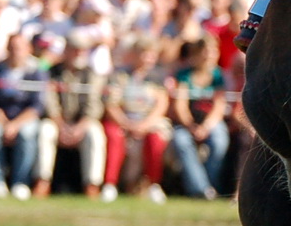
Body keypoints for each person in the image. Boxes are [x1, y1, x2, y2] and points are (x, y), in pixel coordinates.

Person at [0, 32, 46, 199]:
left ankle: (20, 182)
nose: (15, 52)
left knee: (27, 134)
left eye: (19, 48)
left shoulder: (37, 72)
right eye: (12, 48)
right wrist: (4, 122)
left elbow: (37, 106)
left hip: (25, 119)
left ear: (28, 49)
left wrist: (15, 125)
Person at [102, 37, 170, 200]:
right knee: (113, 135)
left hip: (149, 122)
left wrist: (144, 125)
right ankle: (110, 184)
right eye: (144, 54)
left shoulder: (158, 76)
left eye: (152, 55)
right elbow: (111, 104)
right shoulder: (119, 75)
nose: (148, 59)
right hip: (123, 120)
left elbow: (161, 104)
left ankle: (154, 185)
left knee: (155, 138)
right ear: (133, 54)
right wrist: (127, 124)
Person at [44, 33, 107, 195]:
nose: (78, 54)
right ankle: (42, 181)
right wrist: (61, 125)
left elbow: (93, 106)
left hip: (83, 123)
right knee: (45, 131)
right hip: (56, 121)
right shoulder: (52, 72)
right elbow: (50, 102)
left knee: (95, 134)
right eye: (75, 49)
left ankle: (92, 184)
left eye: (82, 50)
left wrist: (79, 127)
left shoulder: (91, 74)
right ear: (66, 50)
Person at [169, 35, 229, 198]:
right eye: (206, 51)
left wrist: (206, 127)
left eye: (213, 51)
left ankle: (211, 185)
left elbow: (219, 106)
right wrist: (190, 126)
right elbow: (180, 105)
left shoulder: (218, 76)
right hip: (187, 123)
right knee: (181, 141)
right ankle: (200, 189)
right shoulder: (184, 75)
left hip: (210, 123)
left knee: (219, 140)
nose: (210, 55)